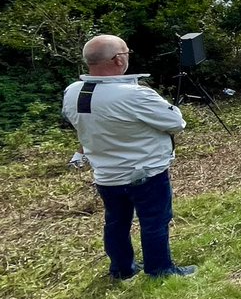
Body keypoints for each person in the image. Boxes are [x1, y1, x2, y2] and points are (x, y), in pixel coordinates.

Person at [62, 35, 196, 279]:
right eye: (126, 53)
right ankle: (160, 270)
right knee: (155, 221)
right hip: (145, 171)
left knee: (116, 223)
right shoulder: (134, 94)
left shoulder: (73, 92)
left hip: (106, 173)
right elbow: (176, 123)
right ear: (117, 59)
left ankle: (121, 269)